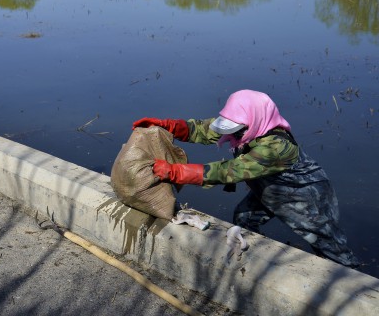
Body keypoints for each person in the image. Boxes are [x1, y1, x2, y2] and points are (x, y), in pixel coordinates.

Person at [132, 89, 360, 268]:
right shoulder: (243, 124)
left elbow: (228, 171)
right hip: (269, 188)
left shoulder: (275, 147)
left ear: (255, 120)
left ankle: (358, 291)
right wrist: (170, 127)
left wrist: (176, 172)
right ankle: (257, 263)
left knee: (328, 245)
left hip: (304, 194)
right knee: (244, 218)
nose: (233, 135)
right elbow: (204, 129)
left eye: (238, 131)